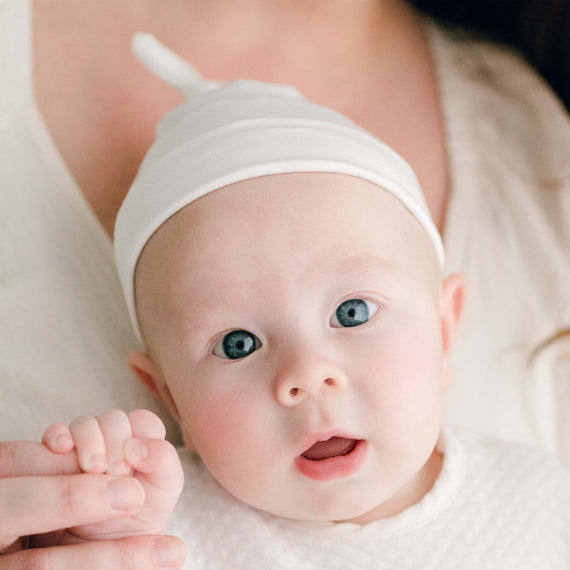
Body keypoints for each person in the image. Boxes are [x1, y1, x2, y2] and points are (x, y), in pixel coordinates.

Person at [2, 0, 569, 566]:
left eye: (352, 312)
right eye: (237, 344)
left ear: (445, 331)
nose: (306, 375)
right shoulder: (161, 535)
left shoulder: (545, 506)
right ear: (168, 394)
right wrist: (94, 527)